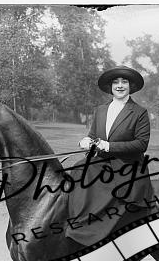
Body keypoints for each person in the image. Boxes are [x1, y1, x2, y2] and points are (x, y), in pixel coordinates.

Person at [66, 66, 154, 246]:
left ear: (131, 86)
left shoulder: (139, 112)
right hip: (101, 161)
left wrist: (108, 146)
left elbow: (141, 144)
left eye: (124, 82)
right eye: (116, 82)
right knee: (78, 169)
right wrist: (86, 141)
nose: (119, 86)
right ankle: (78, 220)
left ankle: (95, 230)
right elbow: (93, 134)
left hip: (127, 165)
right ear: (110, 87)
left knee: (96, 178)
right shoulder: (101, 110)